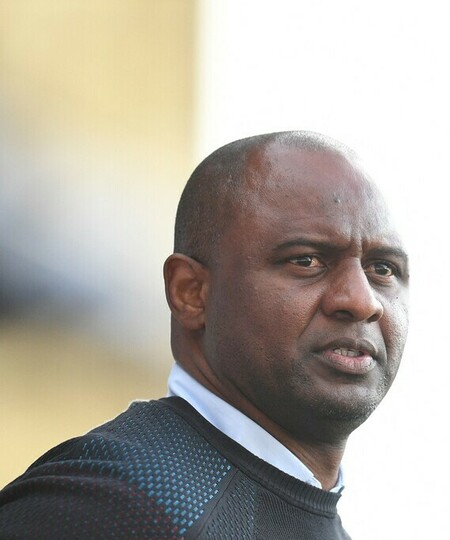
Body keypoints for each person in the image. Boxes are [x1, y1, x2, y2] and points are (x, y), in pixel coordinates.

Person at [0, 131, 410, 538]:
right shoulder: (115, 506)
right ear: (190, 292)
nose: (362, 301)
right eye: (306, 260)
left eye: (383, 269)